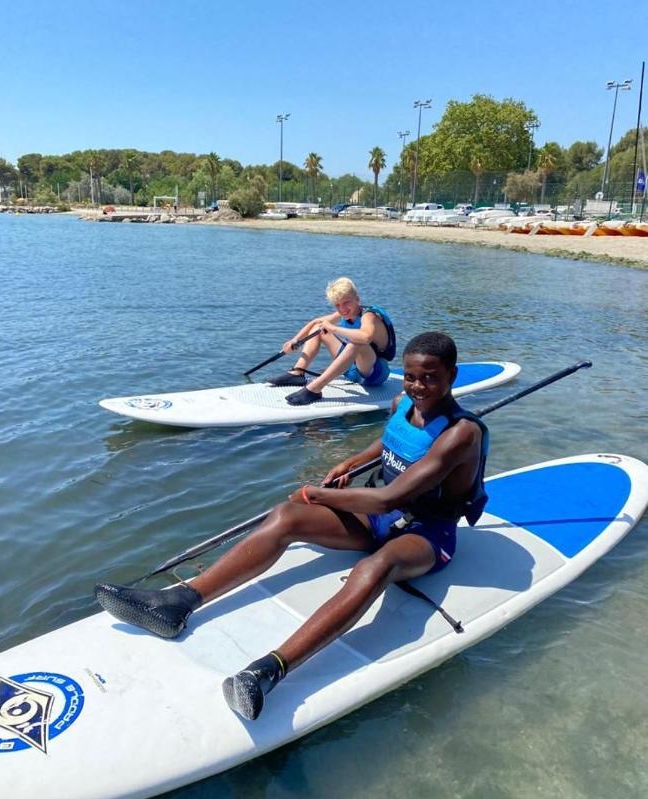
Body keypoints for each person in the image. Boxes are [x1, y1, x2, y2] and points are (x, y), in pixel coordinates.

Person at [95, 332, 488, 721]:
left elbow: (389, 498)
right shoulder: (402, 402)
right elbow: (390, 443)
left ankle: (267, 672)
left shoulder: (461, 434)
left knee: (374, 567)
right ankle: (177, 603)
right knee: (285, 515)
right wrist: (351, 461)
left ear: (452, 375)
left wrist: (319, 494)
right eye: (412, 376)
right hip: (382, 517)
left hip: (427, 533)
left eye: (431, 377)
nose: (419, 386)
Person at [266, 276, 396, 407]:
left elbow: (366, 337)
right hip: (351, 369)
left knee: (357, 341)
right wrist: (295, 340)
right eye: (338, 305)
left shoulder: (369, 316)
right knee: (319, 327)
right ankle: (298, 372)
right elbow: (316, 322)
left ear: (357, 299)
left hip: (373, 374)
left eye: (346, 302)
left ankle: (315, 388)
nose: (342, 308)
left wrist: (334, 328)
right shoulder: (344, 313)